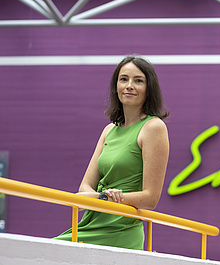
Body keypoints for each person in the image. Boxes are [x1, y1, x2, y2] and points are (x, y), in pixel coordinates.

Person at [54, 55, 170, 250]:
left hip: (120, 228)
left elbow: (151, 198)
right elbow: (85, 185)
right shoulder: (109, 130)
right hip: (91, 221)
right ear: (116, 86)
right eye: (123, 79)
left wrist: (111, 198)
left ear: (149, 89)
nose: (129, 85)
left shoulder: (153, 127)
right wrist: (101, 199)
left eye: (138, 81)